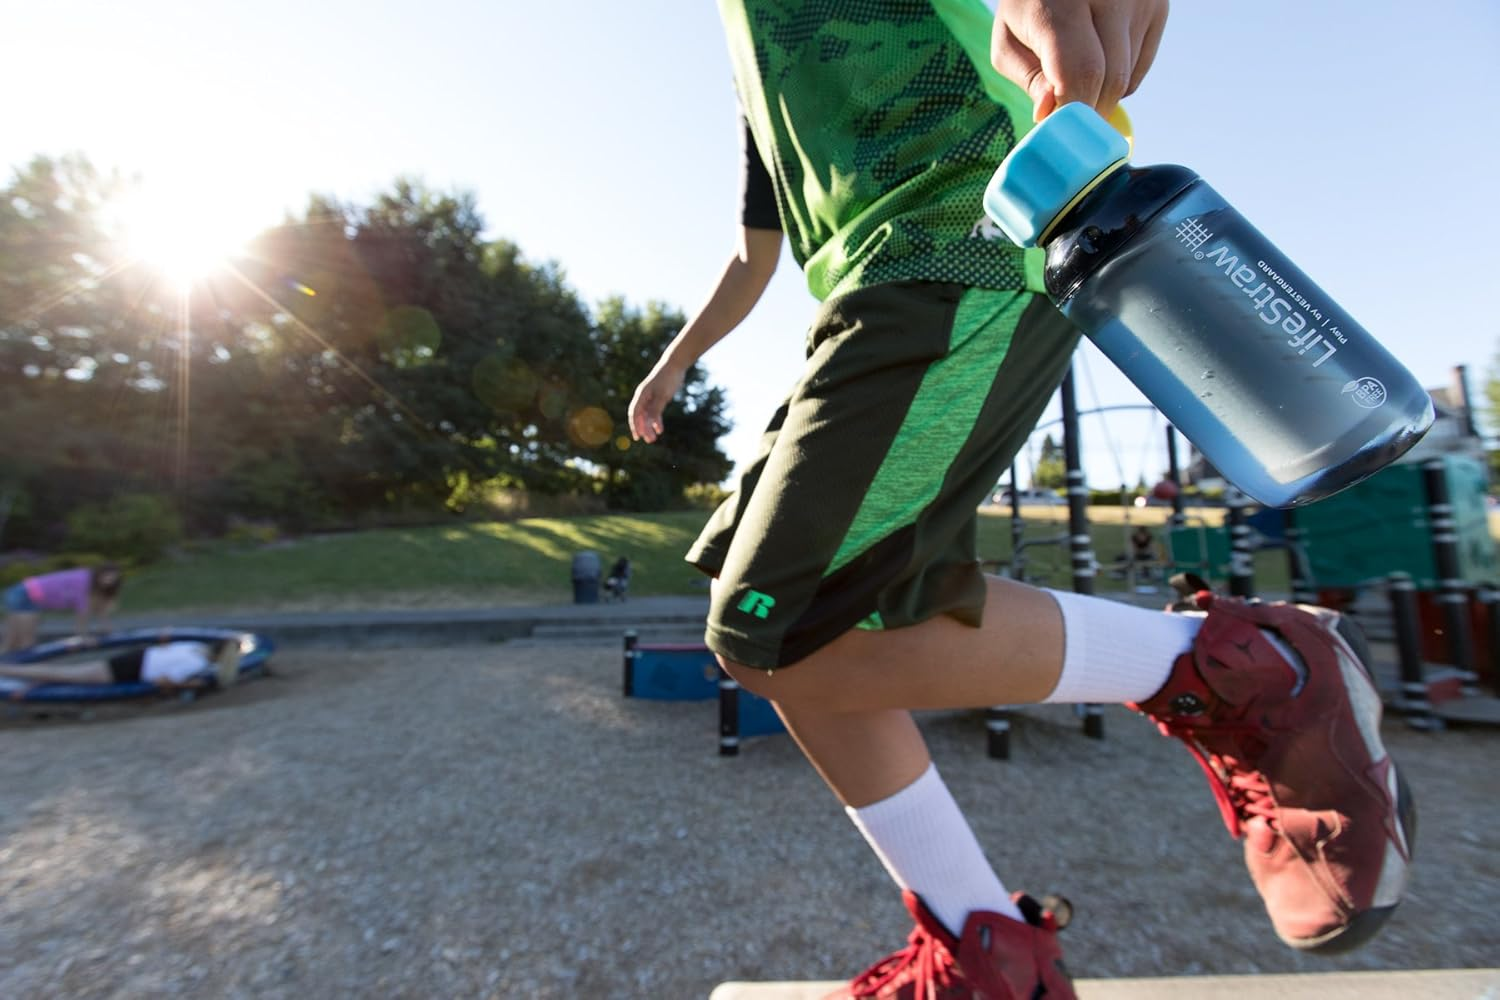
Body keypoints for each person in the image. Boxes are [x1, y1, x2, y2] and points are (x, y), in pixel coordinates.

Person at [627, 1, 1413, 996]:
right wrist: (674, 364)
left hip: (972, 229)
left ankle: (1258, 671)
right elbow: (754, 252)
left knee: (777, 629)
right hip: (875, 286)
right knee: (776, 617)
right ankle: (985, 952)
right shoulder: (752, 38)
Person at [0, 638, 242, 694]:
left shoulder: (195, 647)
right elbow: (164, 682)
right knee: (68, 675)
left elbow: (165, 647)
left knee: (70, 674)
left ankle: (14, 674)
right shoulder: (196, 663)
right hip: (129, 669)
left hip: (134, 658)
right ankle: (8, 671)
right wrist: (191, 685)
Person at [2, 564, 124, 652]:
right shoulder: (85, 580)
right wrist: (83, 637)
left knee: (11, 642)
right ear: (99, 574)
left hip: (26, 593)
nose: (109, 581)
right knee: (25, 643)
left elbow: (100, 611)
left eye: (113, 579)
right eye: (107, 577)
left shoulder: (94, 586)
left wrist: (109, 631)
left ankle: (6, 669)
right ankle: (16, 673)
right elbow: (83, 611)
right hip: (26, 594)